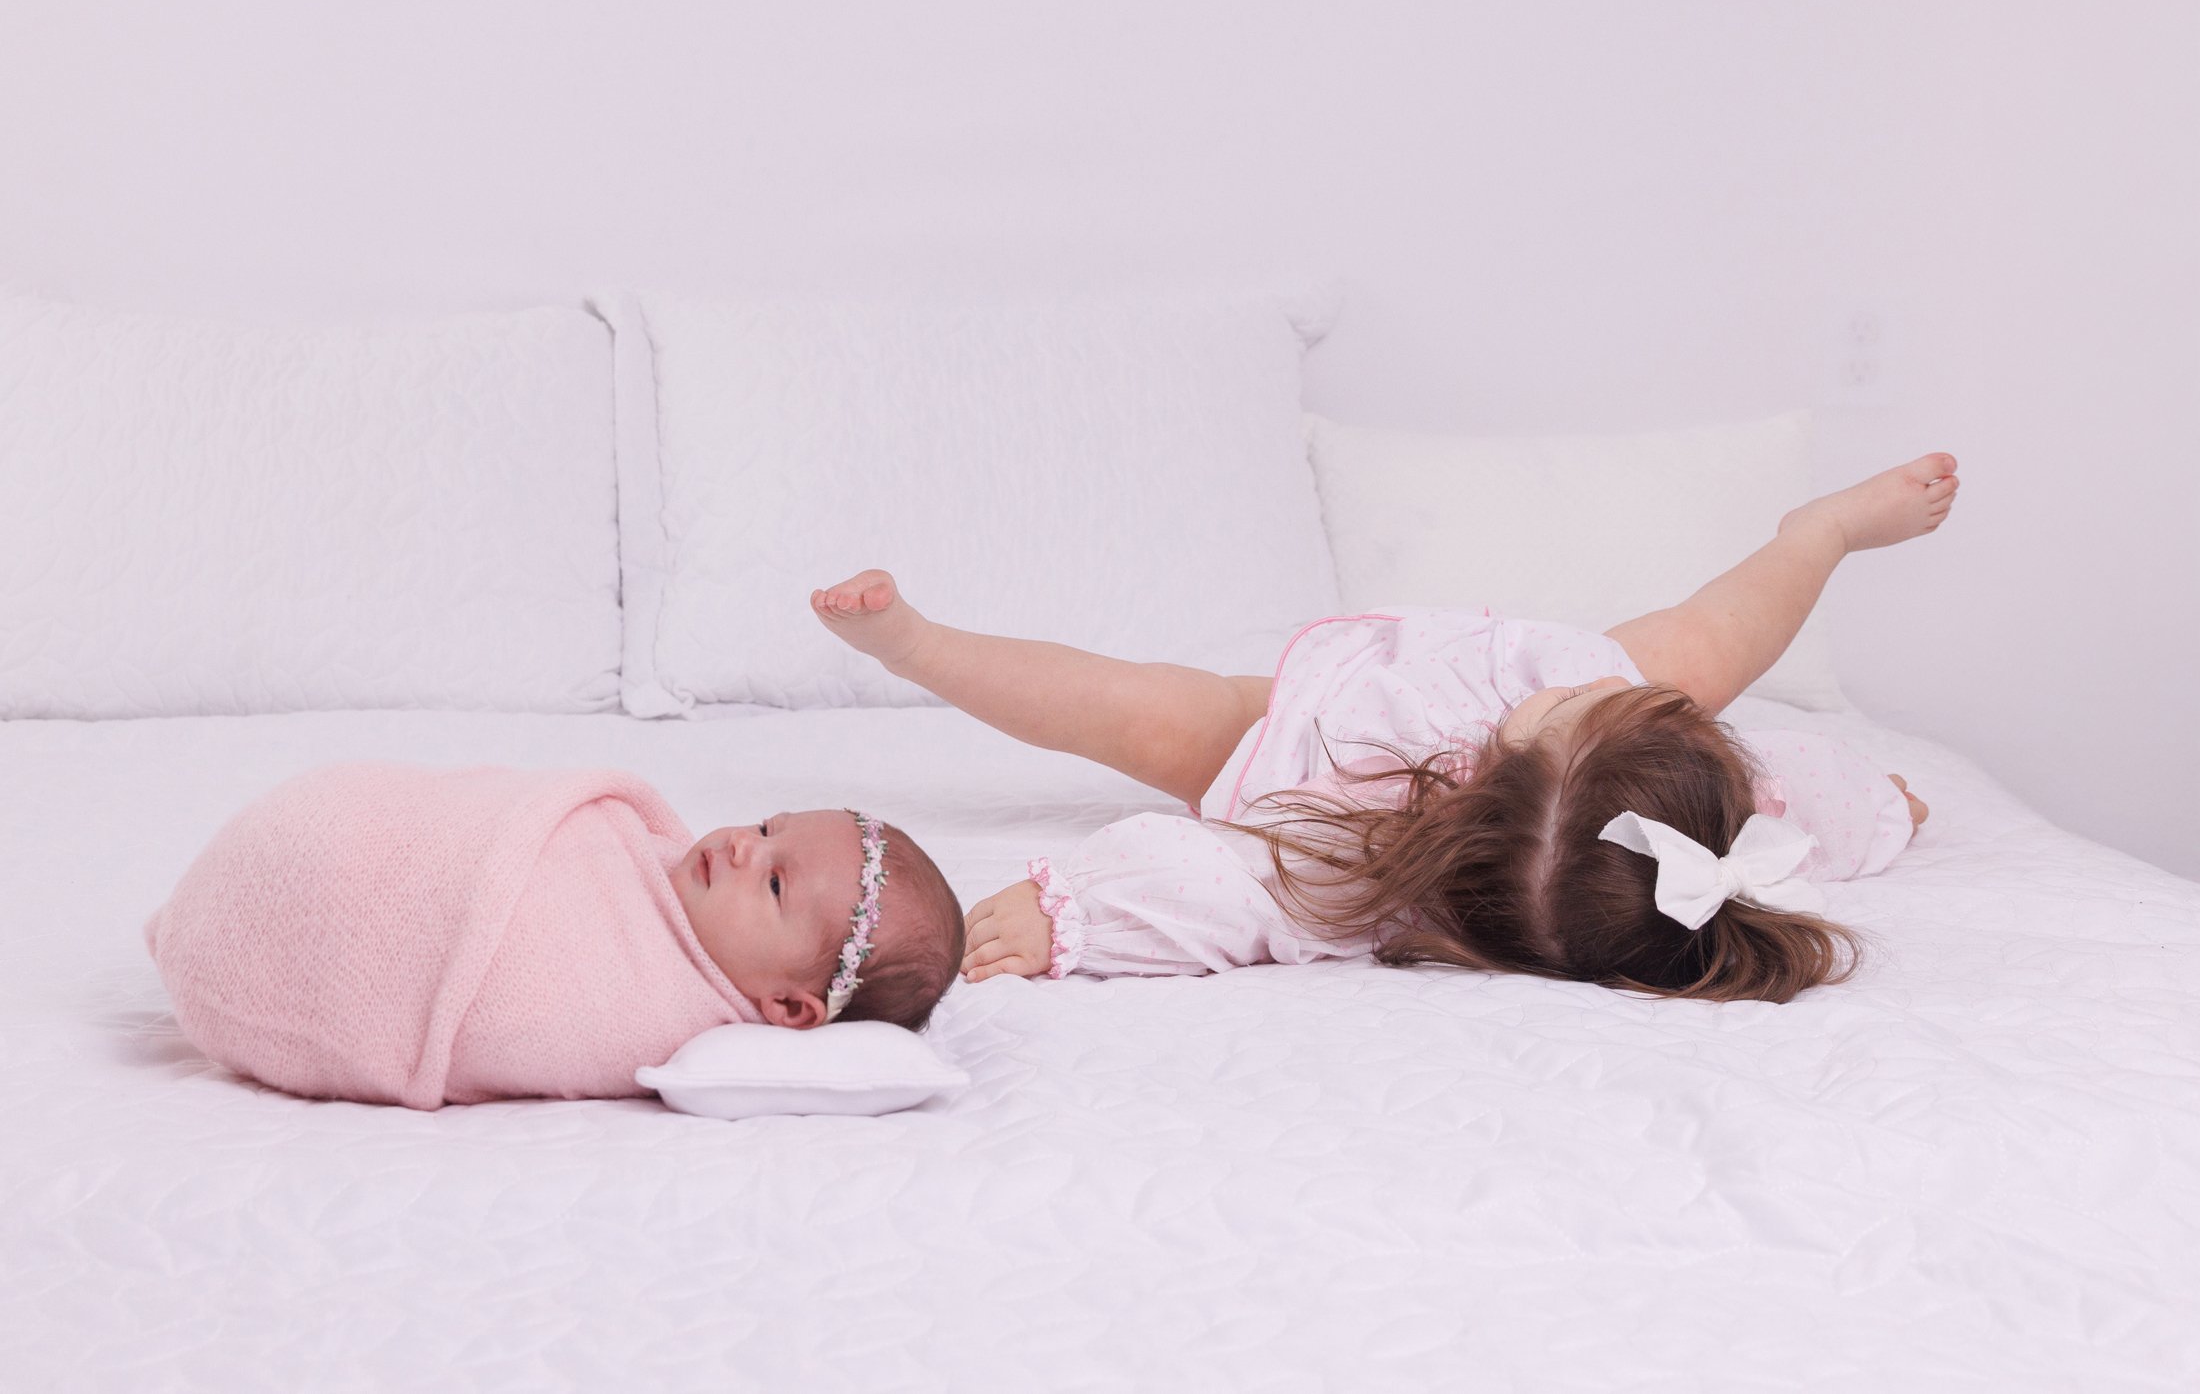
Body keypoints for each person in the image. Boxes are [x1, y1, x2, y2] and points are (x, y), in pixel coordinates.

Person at [812, 453, 1960, 1005]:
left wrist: (1071, 917)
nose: (1560, 679)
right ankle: (1817, 535)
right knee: (1704, 649)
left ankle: (922, 647)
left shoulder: (1351, 855)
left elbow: (1216, 893)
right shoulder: (1708, 786)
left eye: (1556, 706)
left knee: (1150, 708)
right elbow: (1803, 797)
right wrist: (1884, 813)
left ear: (1486, 773)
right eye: (1594, 704)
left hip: (1329, 734)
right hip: (1636, 758)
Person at [145, 767, 962, 1108]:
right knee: (343, 833)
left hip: (330, 935)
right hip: (323, 837)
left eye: (775, 883)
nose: (745, 847)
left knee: (333, 875)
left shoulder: (650, 1007)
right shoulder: (651, 859)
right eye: (766, 826)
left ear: (788, 1006)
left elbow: (522, 1007)